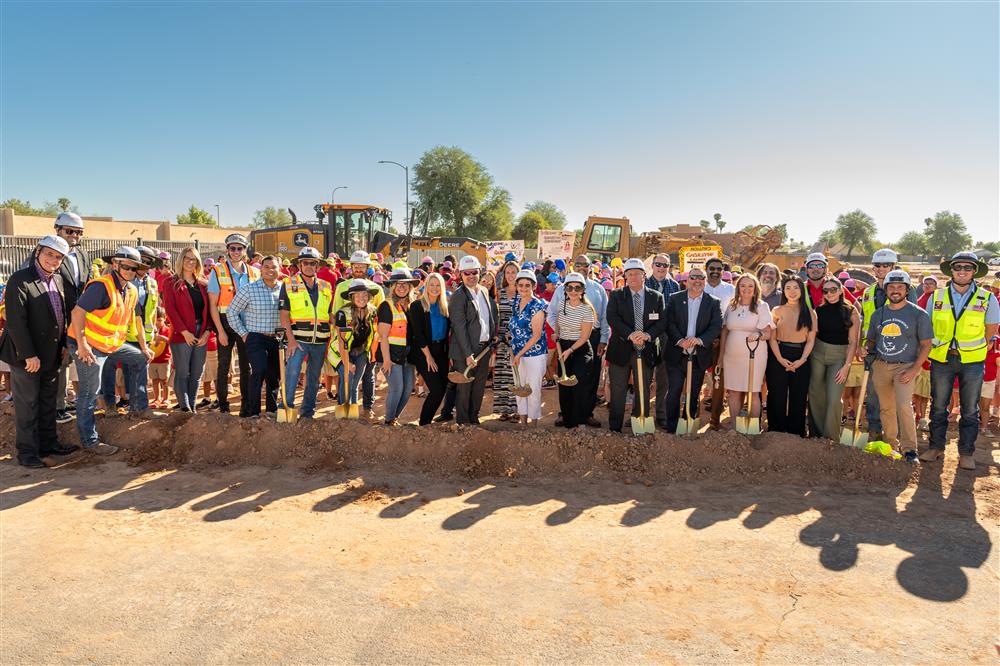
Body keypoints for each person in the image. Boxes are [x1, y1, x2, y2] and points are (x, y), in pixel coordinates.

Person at [0, 236, 79, 467]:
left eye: (58, 257)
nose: (53, 260)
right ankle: (27, 453)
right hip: (27, 357)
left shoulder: (59, 280)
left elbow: (62, 315)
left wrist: (64, 343)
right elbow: (15, 321)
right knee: (28, 406)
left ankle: (49, 444)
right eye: (49, 254)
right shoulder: (20, 280)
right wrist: (28, 355)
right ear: (38, 252)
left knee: (48, 403)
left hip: (51, 354)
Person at [921, 252, 1000, 470]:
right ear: (951, 270)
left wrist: (973, 349)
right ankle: (935, 447)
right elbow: (927, 328)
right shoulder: (936, 297)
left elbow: (990, 330)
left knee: (969, 409)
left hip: (972, 362)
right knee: (937, 406)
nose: (962, 271)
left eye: (967, 267)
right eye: (958, 267)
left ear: (974, 271)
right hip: (942, 359)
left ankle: (966, 452)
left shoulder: (987, 298)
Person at [67, 246, 150, 455]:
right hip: (88, 344)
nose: (131, 272)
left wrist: (143, 346)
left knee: (140, 359)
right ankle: (90, 442)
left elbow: (135, 320)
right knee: (89, 392)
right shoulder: (101, 287)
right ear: (115, 265)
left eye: (134, 269)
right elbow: (77, 313)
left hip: (110, 344)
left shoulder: (131, 290)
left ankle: (139, 409)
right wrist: (83, 344)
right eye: (127, 267)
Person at [858, 270, 932, 456]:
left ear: (907, 290)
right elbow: (872, 342)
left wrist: (914, 370)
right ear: (886, 290)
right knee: (886, 408)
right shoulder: (878, 314)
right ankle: (892, 445)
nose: (896, 290)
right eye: (891, 287)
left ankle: (909, 449)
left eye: (900, 287)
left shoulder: (918, 315)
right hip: (881, 366)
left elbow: (926, 345)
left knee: (904, 406)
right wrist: (865, 348)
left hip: (905, 366)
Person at [859, 248, 917, 440]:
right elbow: (865, 321)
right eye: (878, 265)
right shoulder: (868, 292)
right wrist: (864, 345)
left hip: (900, 353)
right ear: (873, 268)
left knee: (900, 399)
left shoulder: (907, 291)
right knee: (874, 396)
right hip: (874, 352)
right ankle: (875, 431)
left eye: (886, 265)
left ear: (894, 266)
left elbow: (914, 321)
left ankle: (897, 436)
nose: (882, 268)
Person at [546, 254, 610, 427]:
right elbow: (551, 313)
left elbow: (604, 317)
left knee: (590, 377)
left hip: (592, 337)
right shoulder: (561, 289)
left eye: (586, 264)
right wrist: (559, 330)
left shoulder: (598, 289)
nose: (582, 266)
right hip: (566, 337)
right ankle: (565, 414)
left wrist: (604, 339)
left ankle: (586, 413)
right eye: (579, 263)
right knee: (566, 376)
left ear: (591, 267)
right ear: (574, 266)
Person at [606, 258, 666, 433]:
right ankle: (615, 426)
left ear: (644, 276)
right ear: (625, 276)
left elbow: (661, 322)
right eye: (629, 274)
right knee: (618, 390)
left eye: (637, 274)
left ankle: (638, 423)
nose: (633, 277)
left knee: (643, 389)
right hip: (621, 349)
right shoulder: (617, 295)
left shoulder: (656, 297)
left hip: (646, 349)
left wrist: (647, 335)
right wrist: (630, 334)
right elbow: (613, 318)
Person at [100, 245, 161, 417]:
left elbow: (147, 310)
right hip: (116, 334)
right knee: (109, 369)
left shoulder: (151, 283)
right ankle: (110, 405)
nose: (144, 265)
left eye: (148, 263)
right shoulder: (119, 280)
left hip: (140, 333)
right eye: (141, 261)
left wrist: (151, 330)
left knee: (139, 368)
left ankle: (138, 408)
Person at [44, 213, 91, 424]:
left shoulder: (83, 255)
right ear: (58, 230)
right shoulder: (48, 255)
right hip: (57, 317)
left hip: (80, 318)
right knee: (60, 363)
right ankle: (58, 407)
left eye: (78, 232)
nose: (74, 235)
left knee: (77, 360)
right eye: (69, 231)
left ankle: (78, 401)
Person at [663, 266, 722, 433]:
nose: (697, 281)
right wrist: (680, 340)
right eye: (694, 277)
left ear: (705, 281)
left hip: (698, 355)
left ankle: (688, 421)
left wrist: (700, 340)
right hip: (677, 353)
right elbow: (669, 322)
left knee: (694, 392)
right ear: (687, 280)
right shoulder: (675, 299)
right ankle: (672, 425)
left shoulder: (713, 302)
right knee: (674, 390)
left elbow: (716, 326)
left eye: (701, 278)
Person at [278, 247, 333, 420]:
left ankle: (308, 412)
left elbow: (329, 313)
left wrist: (341, 322)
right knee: (292, 374)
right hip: (298, 339)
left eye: (313, 263)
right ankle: (286, 409)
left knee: (314, 378)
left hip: (320, 340)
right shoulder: (288, 284)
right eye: (306, 263)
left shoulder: (326, 286)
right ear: (300, 265)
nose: (309, 266)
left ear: (318, 266)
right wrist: (291, 340)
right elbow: (284, 315)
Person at [208, 233, 259, 416]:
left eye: (240, 248)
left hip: (247, 323)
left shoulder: (255, 272)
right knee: (224, 364)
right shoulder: (217, 271)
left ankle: (246, 407)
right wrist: (220, 331)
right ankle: (223, 405)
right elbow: (213, 305)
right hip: (226, 323)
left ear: (245, 250)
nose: (236, 252)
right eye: (232, 248)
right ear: (227, 250)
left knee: (246, 366)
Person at [226, 256, 282, 418]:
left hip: (276, 338)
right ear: (261, 269)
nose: (270, 270)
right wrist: (243, 333)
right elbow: (231, 311)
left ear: (279, 269)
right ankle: (253, 412)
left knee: (273, 376)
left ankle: (272, 411)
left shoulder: (284, 289)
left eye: (274, 267)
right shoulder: (249, 289)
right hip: (255, 337)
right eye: (267, 267)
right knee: (259, 370)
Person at [332, 250, 385, 420]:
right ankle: (344, 409)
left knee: (367, 377)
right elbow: (335, 315)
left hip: (365, 346)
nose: (359, 268)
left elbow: (379, 319)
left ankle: (367, 408)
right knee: (347, 377)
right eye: (356, 266)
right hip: (345, 343)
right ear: (351, 267)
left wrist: (376, 349)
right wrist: (343, 349)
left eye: (363, 266)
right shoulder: (342, 287)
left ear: (368, 267)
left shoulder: (376, 289)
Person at [717, 273, 772, 429]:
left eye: (750, 286)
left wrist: (759, 334)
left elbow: (768, 332)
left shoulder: (762, 306)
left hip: (754, 353)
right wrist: (721, 356)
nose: (746, 289)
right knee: (734, 391)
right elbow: (725, 331)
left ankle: (753, 427)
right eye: (743, 285)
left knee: (753, 391)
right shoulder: (731, 306)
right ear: (737, 288)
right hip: (732, 355)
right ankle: (736, 426)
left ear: (755, 289)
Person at [808, 277, 861, 439]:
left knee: (833, 398)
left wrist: (847, 366)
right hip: (818, 353)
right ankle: (815, 434)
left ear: (840, 291)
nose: (829, 293)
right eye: (826, 290)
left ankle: (830, 438)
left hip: (840, 357)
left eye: (833, 290)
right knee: (816, 394)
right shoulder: (819, 310)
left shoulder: (851, 311)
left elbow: (853, 342)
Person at [448, 255, 497, 425]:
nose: (471, 276)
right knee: (464, 388)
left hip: (484, 349)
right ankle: (463, 422)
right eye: (466, 273)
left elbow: (490, 317)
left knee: (478, 388)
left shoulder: (483, 291)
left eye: (474, 272)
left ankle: (473, 419)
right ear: (460, 274)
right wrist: (468, 353)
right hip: (464, 352)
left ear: (479, 272)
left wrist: (492, 341)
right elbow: (459, 328)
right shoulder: (458, 297)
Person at [766, 275, 817, 436]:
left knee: (799, 395)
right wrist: (780, 359)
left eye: (795, 287)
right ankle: (776, 429)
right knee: (776, 393)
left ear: (801, 290)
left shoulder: (810, 312)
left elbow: (810, 340)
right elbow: (772, 338)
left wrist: (802, 359)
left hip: (801, 356)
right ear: (783, 291)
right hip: (778, 354)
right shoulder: (776, 310)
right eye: (788, 288)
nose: (792, 291)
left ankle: (796, 432)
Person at [163, 247, 211, 412]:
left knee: (197, 373)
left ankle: (192, 409)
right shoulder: (171, 282)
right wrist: (185, 333)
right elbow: (170, 310)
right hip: (181, 333)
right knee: (183, 372)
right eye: (187, 258)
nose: (190, 262)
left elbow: (211, 310)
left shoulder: (204, 284)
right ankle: (185, 409)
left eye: (194, 259)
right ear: (181, 260)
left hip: (202, 332)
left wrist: (207, 332)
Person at [554, 272, 596, 429]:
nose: (573, 291)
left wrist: (570, 350)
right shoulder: (561, 304)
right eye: (569, 287)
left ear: (582, 290)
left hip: (580, 349)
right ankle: (568, 422)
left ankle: (580, 421)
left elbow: (585, 337)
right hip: (563, 347)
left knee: (578, 384)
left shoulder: (587, 310)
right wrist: (556, 333)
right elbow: (558, 321)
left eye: (577, 288)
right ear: (565, 289)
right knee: (564, 385)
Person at [330, 279, 379, 413]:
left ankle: (352, 412)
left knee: (355, 383)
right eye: (357, 295)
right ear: (351, 297)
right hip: (341, 352)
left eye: (364, 295)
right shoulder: (343, 313)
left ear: (369, 296)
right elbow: (341, 341)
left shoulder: (373, 312)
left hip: (361, 351)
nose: (361, 298)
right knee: (348, 378)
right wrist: (347, 363)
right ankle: (343, 409)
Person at [408, 272, 450, 425]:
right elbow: (418, 334)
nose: (434, 288)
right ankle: (424, 423)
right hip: (423, 352)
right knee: (436, 390)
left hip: (441, 351)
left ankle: (427, 422)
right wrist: (428, 356)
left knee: (442, 388)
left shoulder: (445, 306)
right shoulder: (417, 306)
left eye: (438, 285)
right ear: (426, 286)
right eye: (431, 284)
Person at [379, 267, 419, 425]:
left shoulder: (411, 306)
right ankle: (389, 421)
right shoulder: (386, 306)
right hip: (391, 354)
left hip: (408, 355)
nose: (401, 287)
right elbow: (383, 336)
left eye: (405, 284)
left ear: (410, 287)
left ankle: (394, 418)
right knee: (397, 388)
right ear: (392, 287)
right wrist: (386, 360)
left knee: (408, 388)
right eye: (398, 284)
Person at [507, 269, 547, 425]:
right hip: (518, 353)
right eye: (521, 285)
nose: (524, 288)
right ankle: (523, 423)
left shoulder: (537, 305)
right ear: (516, 286)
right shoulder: (516, 302)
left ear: (534, 286)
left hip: (534, 354)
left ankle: (534, 424)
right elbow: (516, 325)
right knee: (520, 387)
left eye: (527, 285)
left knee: (533, 389)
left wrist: (519, 354)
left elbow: (536, 335)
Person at [645, 254, 680, 429]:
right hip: (647, 334)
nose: (661, 268)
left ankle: (661, 414)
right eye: (658, 264)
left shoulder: (674, 286)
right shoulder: (644, 284)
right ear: (652, 265)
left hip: (666, 335)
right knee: (643, 375)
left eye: (665, 265)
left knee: (663, 376)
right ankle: (641, 413)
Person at [703, 257, 736, 429]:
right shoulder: (700, 286)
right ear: (706, 269)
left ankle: (715, 419)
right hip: (700, 338)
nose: (715, 271)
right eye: (712, 268)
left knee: (718, 380)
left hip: (723, 338)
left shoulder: (731, 289)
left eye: (719, 269)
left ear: (723, 271)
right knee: (695, 378)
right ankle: (689, 416)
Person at [493, 261, 520, 422]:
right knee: (503, 373)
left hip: (518, 338)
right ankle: (504, 410)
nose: (510, 275)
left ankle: (517, 410)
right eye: (507, 272)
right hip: (503, 338)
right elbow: (499, 317)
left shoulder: (522, 292)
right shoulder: (501, 293)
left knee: (516, 374)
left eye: (513, 272)